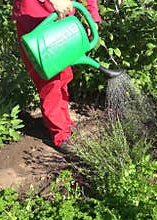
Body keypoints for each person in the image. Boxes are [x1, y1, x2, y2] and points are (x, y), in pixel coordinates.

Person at [11, 0, 102, 154]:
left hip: (61, 21)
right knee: (50, 82)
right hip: (35, 21)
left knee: (64, 76)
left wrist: (92, 16)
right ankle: (60, 135)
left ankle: (64, 124)